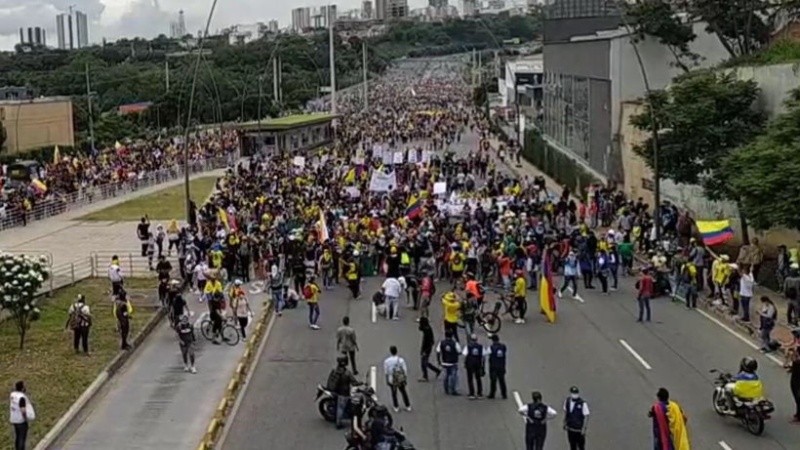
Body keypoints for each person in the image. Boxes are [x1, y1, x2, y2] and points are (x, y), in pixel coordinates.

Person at [327, 355, 358, 429]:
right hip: (344, 393)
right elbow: (354, 382)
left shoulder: (334, 370)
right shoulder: (347, 373)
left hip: (335, 391)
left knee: (341, 407)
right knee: (341, 408)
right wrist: (360, 383)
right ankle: (338, 423)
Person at [383, 345, 411, 412]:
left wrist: (387, 380)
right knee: (403, 392)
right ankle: (408, 406)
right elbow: (405, 370)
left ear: (390, 351)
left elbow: (386, 372)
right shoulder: (401, 360)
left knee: (394, 393)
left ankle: (396, 406)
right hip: (400, 379)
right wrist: (404, 378)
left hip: (392, 379)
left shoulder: (387, 361)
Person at [9, 380, 34, 450]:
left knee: (17, 437)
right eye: (24, 386)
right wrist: (25, 418)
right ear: (22, 388)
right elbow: (23, 410)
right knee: (22, 438)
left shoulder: (13, 395)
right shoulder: (21, 398)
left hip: (14, 419)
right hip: (21, 421)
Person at [436, 330, 462, 395]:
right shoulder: (455, 343)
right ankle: (453, 390)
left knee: (446, 376)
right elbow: (459, 351)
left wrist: (439, 361)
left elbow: (438, 351)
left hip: (445, 362)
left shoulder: (441, 343)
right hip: (453, 362)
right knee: (454, 376)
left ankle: (446, 389)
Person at [463, 333, 486, 399]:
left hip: (470, 364)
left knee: (470, 379)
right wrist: (483, 366)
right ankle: (479, 393)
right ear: (476, 339)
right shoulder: (481, 347)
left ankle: (472, 393)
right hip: (478, 364)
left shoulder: (468, 346)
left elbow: (465, 355)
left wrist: (465, 363)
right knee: (478, 379)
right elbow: (483, 356)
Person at [418, 316, 441, 381]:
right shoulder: (427, 328)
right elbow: (420, 329)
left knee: (423, 363)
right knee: (426, 362)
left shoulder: (427, 330)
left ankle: (425, 376)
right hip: (426, 348)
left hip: (426, 349)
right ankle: (436, 370)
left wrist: (425, 351)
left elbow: (429, 342)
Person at [487, 333, 507, 400]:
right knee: (502, 380)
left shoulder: (491, 347)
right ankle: (504, 394)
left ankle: (492, 394)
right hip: (501, 365)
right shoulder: (503, 346)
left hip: (493, 366)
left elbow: (488, 354)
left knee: (493, 381)